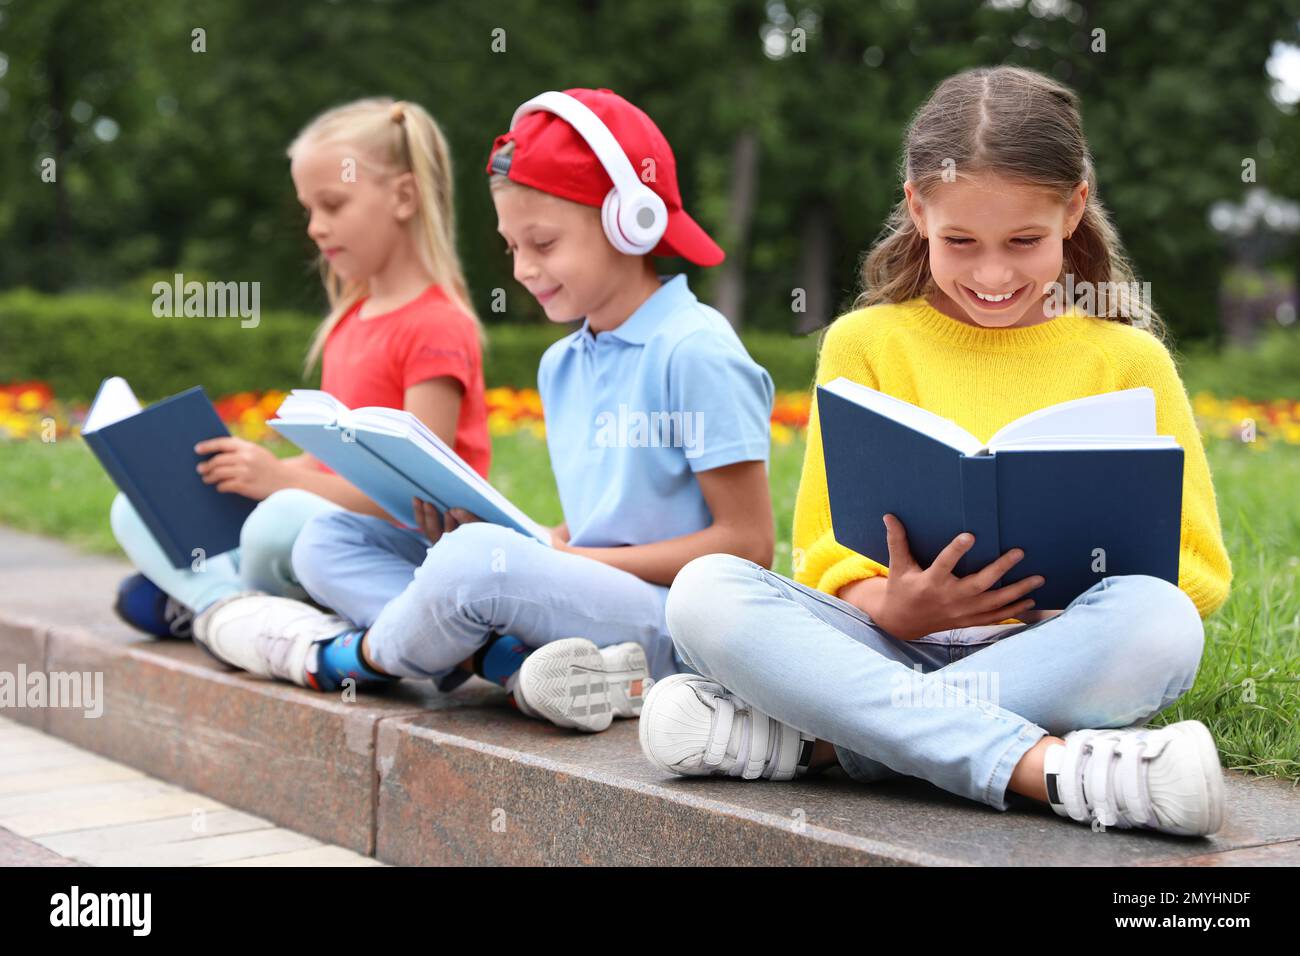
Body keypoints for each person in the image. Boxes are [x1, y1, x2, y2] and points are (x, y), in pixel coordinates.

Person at [639, 66, 1234, 838]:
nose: (993, 274)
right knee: (703, 592)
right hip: (881, 644)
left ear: (1074, 209)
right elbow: (822, 551)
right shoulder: (865, 342)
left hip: (1044, 652)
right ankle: (1051, 770)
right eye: (962, 242)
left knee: (1162, 623)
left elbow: (1198, 570)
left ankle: (827, 744)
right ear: (918, 208)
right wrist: (892, 605)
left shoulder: (1127, 360)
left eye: (1024, 242)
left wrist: (1059, 598)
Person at [189, 88, 777, 735]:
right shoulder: (562, 365)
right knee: (329, 539)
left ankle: (342, 658)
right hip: (585, 590)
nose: (524, 268)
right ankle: (514, 663)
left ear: (629, 221)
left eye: (544, 243)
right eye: (511, 247)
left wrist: (565, 560)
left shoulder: (696, 350)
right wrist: (550, 540)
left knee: (474, 564)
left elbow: (747, 546)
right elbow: (612, 518)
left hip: (672, 625)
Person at [112, 97, 489, 644]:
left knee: (278, 517)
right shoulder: (349, 322)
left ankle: (210, 604)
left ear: (404, 196)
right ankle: (229, 606)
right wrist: (248, 472)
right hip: (316, 521)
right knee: (135, 508)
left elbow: (420, 498)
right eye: (309, 209)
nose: (315, 228)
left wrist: (280, 481)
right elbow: (327, 467)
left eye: (333, 205)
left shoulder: (437, 326)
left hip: (393, 546)